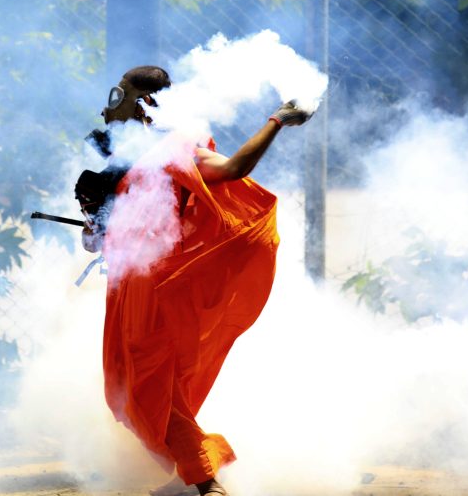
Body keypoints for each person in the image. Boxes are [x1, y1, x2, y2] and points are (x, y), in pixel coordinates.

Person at [76, 65, 311, 496]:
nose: (108, 108)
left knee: (149, 386)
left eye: (119, 96)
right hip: (130, 289)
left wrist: (278, 119)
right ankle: (195, 473)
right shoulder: (123, 163)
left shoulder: (177, 152)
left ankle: (206, 481)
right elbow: (104, 239)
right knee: (127, 390)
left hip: (162, 287)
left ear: (145, 105)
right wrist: (97, 223)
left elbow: (237, 167)